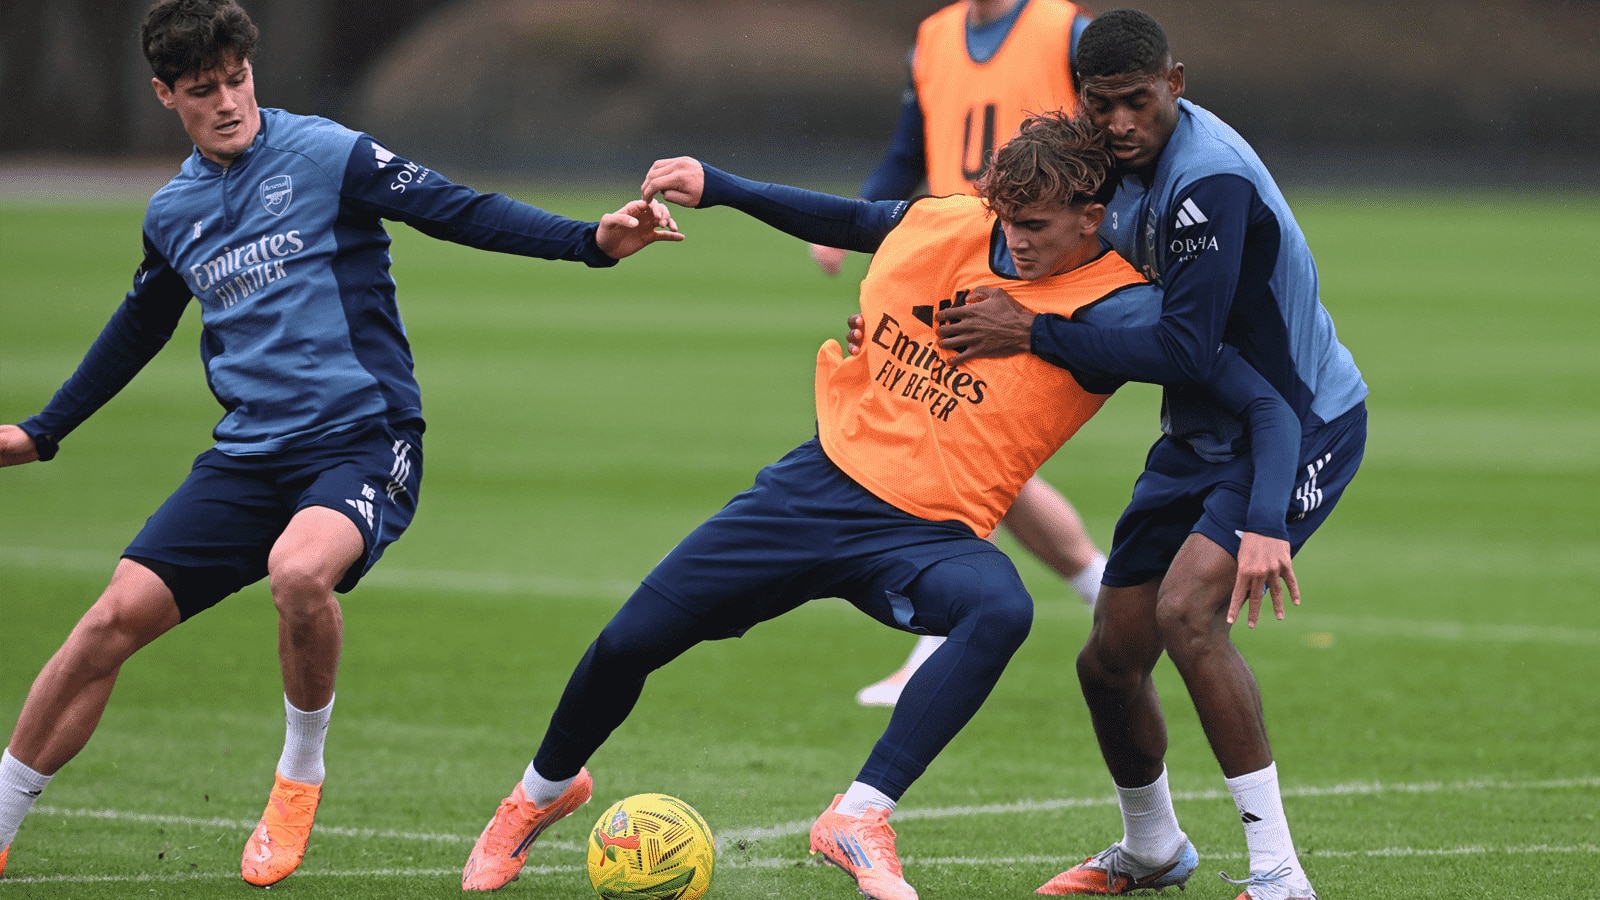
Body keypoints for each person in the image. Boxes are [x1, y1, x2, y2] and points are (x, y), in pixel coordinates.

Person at [460, 112, 1302, 900]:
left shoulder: (1127, 306)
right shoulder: (954, 222)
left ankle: (859, 813)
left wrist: (1265, 515)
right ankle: (538, 794)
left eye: (1035, 227)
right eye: (1004, 220)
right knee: (627, 643)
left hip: (929, 534)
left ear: (1093, 214)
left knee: (999, 604)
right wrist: (721, 186)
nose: (1013, 241)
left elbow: (1257, 399)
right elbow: (853, 221)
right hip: (815, 485)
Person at [0, 0, 679, 886]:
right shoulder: (173, 212)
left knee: (297, 571)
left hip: (364, 441)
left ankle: (299, 773)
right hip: (248, 456)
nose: (229, 102)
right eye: (203, 91)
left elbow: (455, 208)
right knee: (105, 624)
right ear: (166, 95)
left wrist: (589, 241)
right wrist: (42, 433)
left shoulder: (326, 153)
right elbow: (138, 326)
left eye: (238, 78)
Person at [931, 10, 1368, 900]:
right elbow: (1013, 250)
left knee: (1186, 614)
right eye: (1103, 106)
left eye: (1137, 102)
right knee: (1108, 659)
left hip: (1296, 421)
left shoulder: (1209, 182)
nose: (1122, 122)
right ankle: (1154, 849)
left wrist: (1032, 334)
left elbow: (1185, 349)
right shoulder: (1104, 166)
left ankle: (1281, 876)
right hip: (1199, 433)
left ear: (1176, 82)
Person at [814, 0, 1108, 709]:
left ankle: (947, 633)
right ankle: (1111, 594)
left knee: (963, 439)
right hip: (947, 257)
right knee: (973, 446)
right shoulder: (934, 37)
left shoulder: (1064, 30)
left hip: (1034, 266)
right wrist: (857, 212)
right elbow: (909, 148)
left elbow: (1117, 145)